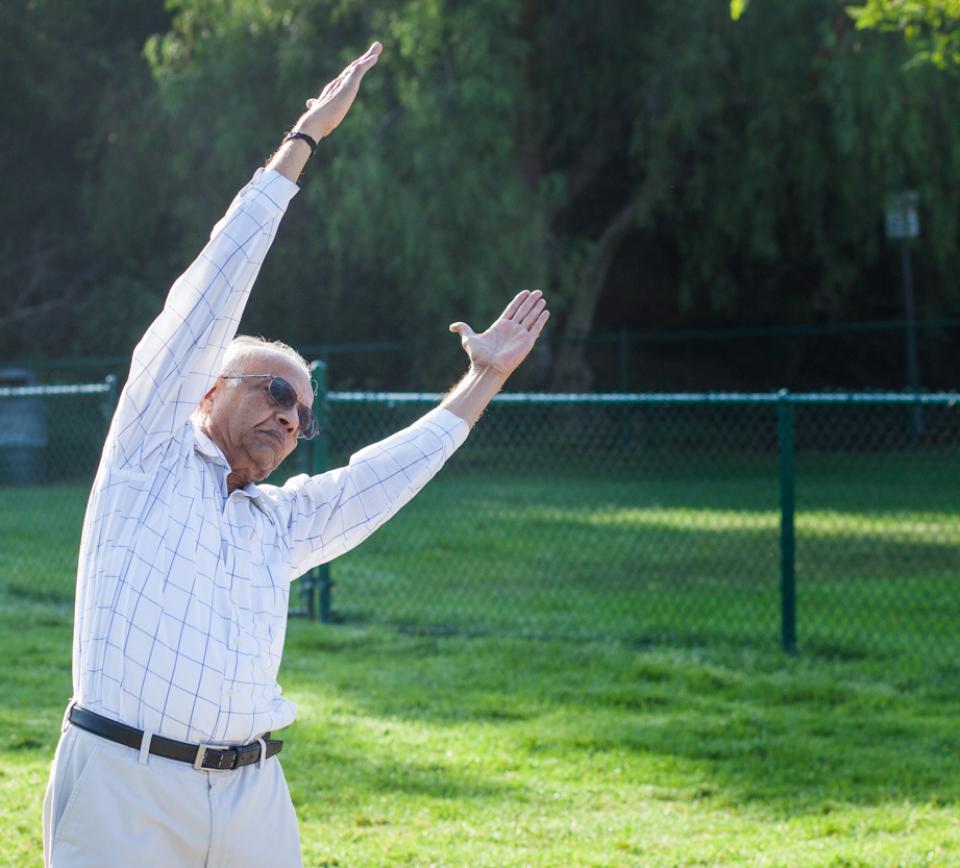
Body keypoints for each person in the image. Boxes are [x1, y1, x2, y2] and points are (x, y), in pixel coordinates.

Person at [41, 41, 549, 867]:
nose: (290, 417)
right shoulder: (145, 459)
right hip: (123, 791)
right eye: (276, 392)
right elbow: (207, 297)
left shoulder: (276, 527)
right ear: (208, 390)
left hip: (253, 800)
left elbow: (379, 479)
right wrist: (302, 140)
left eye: (304, 414)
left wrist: (482, 379)